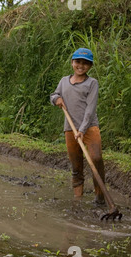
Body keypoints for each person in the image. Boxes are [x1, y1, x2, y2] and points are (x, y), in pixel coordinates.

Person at [50, 48, 106, 205]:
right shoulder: (63, 81)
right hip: (70, 128)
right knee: (76, 165)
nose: (81, 66)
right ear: (72, 63)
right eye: (78, 62)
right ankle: (78, 200)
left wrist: (82, 130)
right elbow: (54, 95)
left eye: (85, 63)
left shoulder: (92, 83)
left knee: (96, 159)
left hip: (89, 128)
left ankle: (100, 198)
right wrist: (56, 100)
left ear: (90, 66)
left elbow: (90, 109)